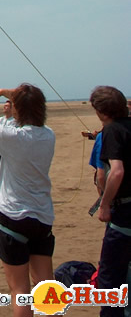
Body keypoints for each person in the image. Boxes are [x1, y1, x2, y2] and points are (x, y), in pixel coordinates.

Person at [0, 85, 55, 317]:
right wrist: (17, 103)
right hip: (42, 218)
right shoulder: (48, 135)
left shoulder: (13, 137)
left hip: (14, 217)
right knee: (45, 285)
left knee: (20, 290)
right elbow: (20, 125)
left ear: (17, 109)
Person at [89, 86, 131, 316]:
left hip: (123, 213)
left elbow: (115, 171)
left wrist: (104, 205)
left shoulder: (113, 130)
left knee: (110, 281)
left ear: (102, 112)